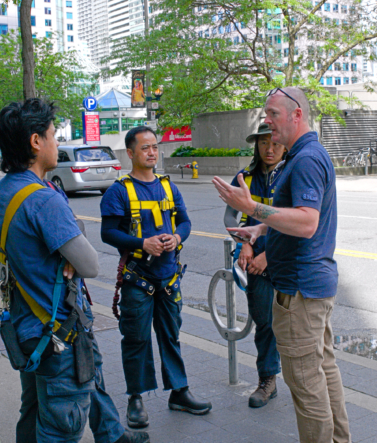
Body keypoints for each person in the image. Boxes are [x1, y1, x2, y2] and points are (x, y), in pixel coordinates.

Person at [0, 99, 148, 443]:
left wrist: (65, 250)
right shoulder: (43, 199)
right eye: (53, 135)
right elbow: (90, 264)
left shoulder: (3, 191)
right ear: (36, 141)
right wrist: (71, 253)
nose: (57, 142)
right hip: (58, 331)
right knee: (61, 426)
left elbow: (38, 242)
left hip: (27, 325)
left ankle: (112, 434)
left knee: (34, 409)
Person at [213, 87, 351, 443]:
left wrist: (252, 208)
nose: (267, 121)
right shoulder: (305, 155)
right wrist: (261, 228)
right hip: (312, 287)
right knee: (323, 371)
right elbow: (298, 218)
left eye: (273, 114)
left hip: (300, 291)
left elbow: (306, 223)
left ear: (296, 115)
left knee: (306, 383)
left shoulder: (305, 160)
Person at [100, 126, 212, 429]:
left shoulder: (168, 187)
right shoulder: (119, 191)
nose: (152, 152)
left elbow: (185, 222)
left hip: (169, 278)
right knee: (136, 339)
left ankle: (179, 391)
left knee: (170, 336)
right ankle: (135, 398)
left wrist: (177, 237)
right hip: (138, 279)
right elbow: (108, 233)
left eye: (155, 147)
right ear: (130, 153)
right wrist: (142, 244)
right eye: (145, 148)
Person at [222, 123, 285, 408]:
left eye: (274, 143)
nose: (269, 149)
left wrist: (269, 255)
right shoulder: (244, 178)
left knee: (296, 325)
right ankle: (268, 379)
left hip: (287, 263)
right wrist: (244, 243)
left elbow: (298, 221)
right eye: (263, 143)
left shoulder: (292, 175)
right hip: (256, 266)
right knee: (265, 323)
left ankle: (302, 380)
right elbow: (230, 218)